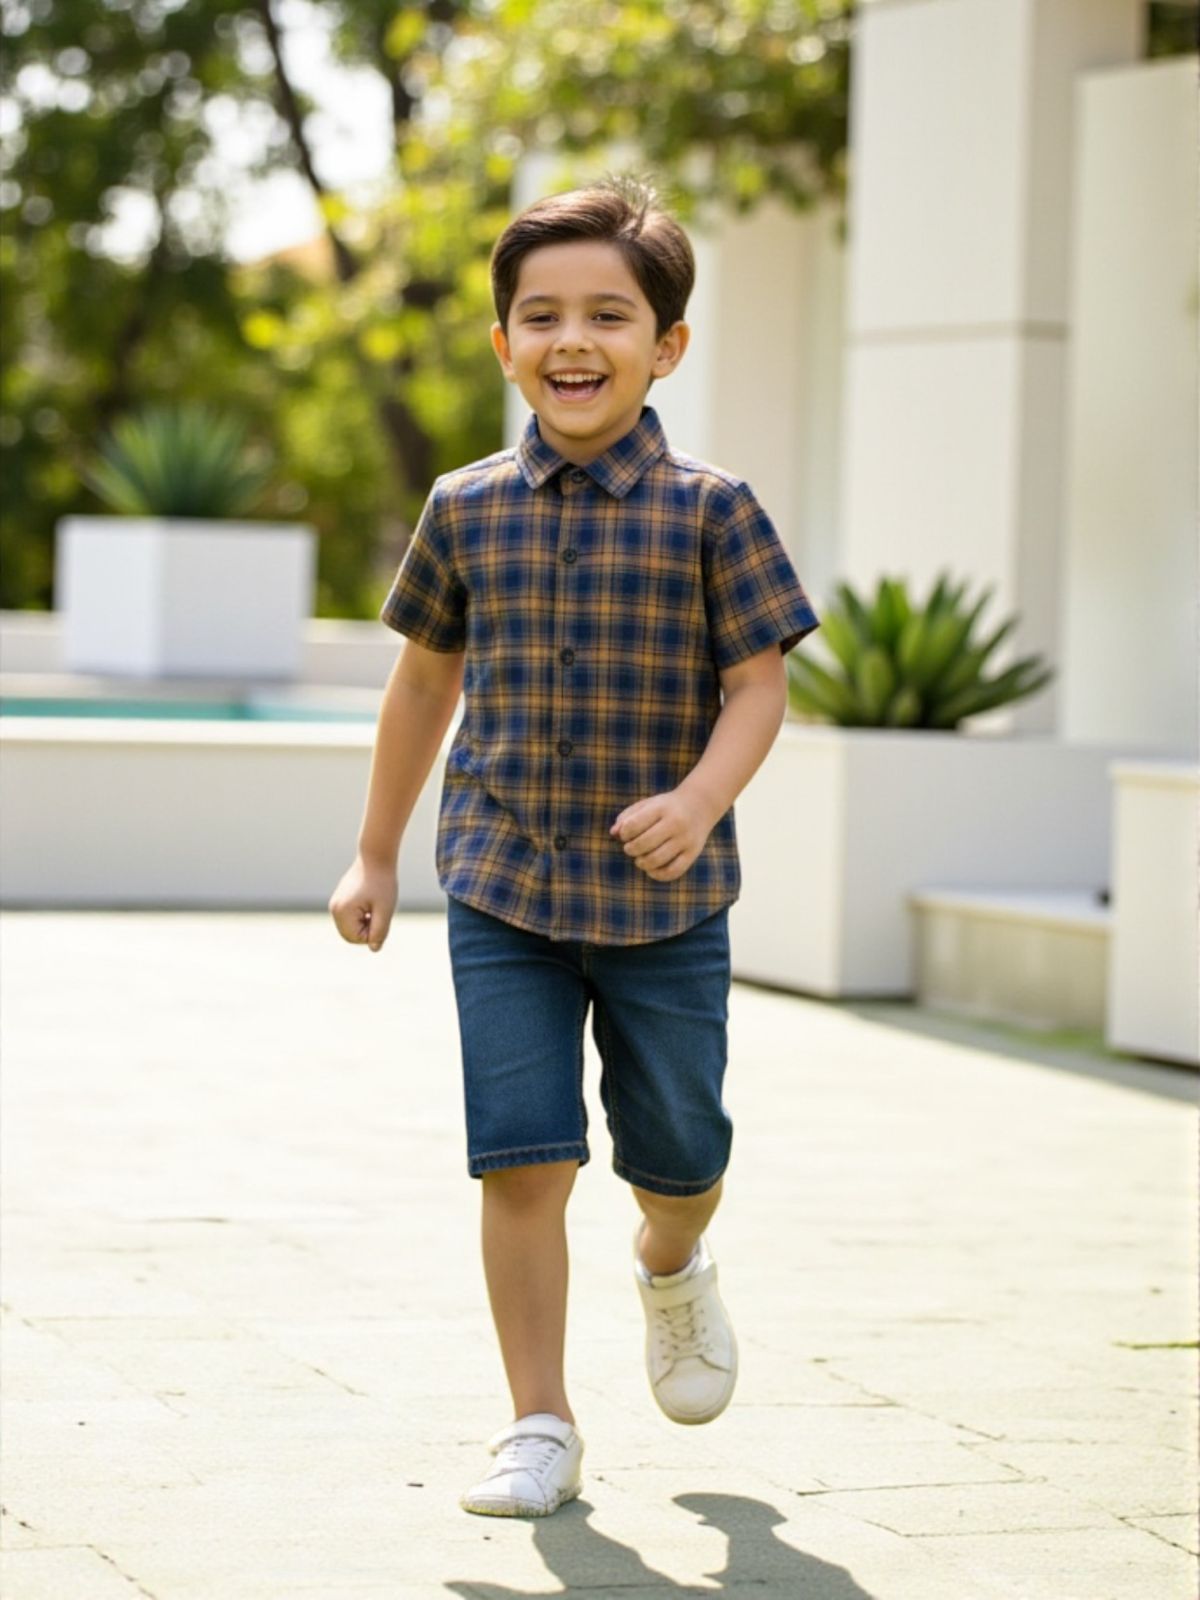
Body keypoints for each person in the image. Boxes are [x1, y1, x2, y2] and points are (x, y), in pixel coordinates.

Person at [329, 175, 820, 1519]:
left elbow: (759, 685)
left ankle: (671, 1263)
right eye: (541, 315)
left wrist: (700, 801)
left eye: (610, 313)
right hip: (505, 886)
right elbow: (423, 684)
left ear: (667, 344)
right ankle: (539, 1422)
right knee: (523, 1154)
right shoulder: (465, 505)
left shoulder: (715, 509)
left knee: (681, 1152)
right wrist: (375, 854)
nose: (572, 339)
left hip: (668, 904)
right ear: (504, 346)